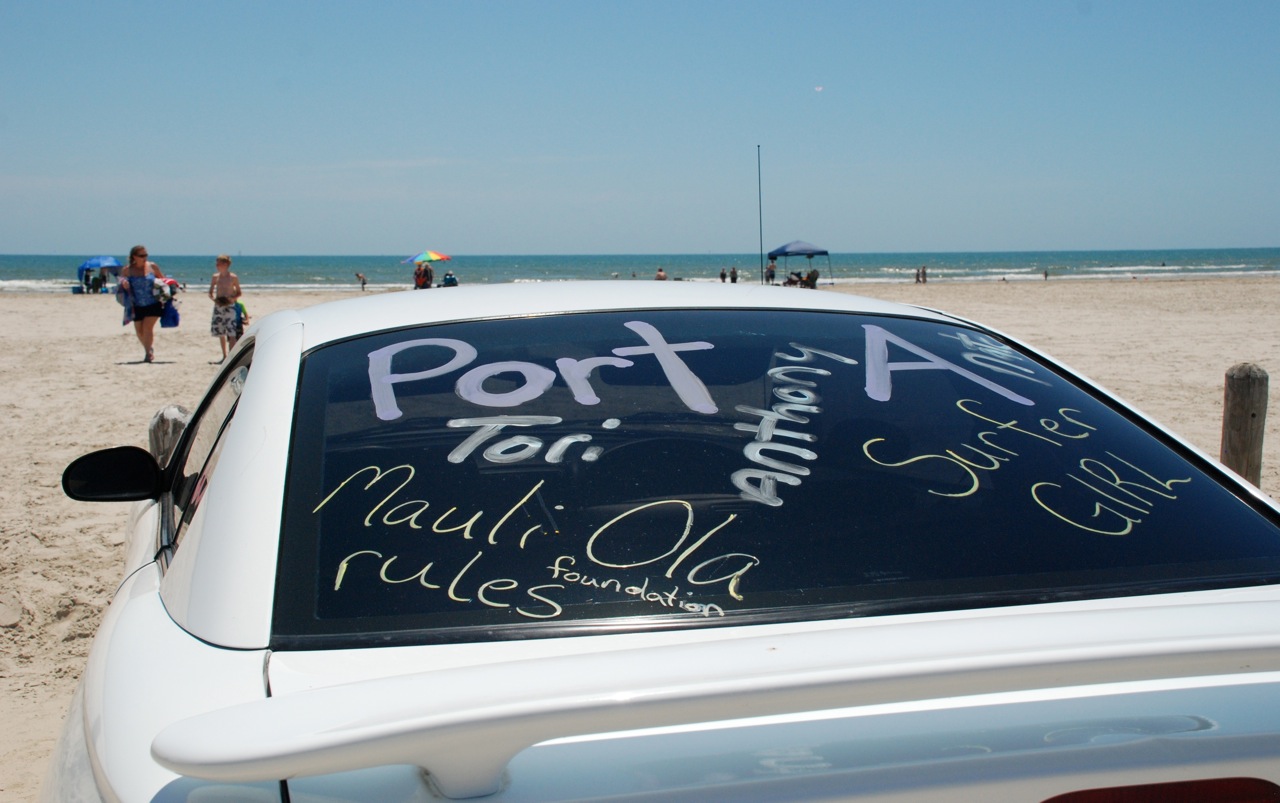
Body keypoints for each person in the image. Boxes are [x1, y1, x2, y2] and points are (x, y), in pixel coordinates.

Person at [119, 245, 167, 363]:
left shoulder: (152, 266)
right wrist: (124, 283)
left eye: (146, 255)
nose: (144, 257)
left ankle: (147, 355)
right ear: (134, 257)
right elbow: (121, 281)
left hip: (154, 303)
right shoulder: (127, 270)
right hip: (136, 305)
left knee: (147, 328)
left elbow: (163, 280)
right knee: (139, 330)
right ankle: (149, 348)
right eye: (141, 255)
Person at [208, 255, 242, 362]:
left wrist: (232, 299)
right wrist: (215, 300)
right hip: (219, 306)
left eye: (219, 263)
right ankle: (224, 356)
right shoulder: (215, 277)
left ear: (226, 264)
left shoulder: (233, 277)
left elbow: (239, 292)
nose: (217, 265)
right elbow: (210, 292)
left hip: (230, 306)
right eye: (216, 263)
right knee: (220, 332)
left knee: (231, 332)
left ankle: (232, 357)